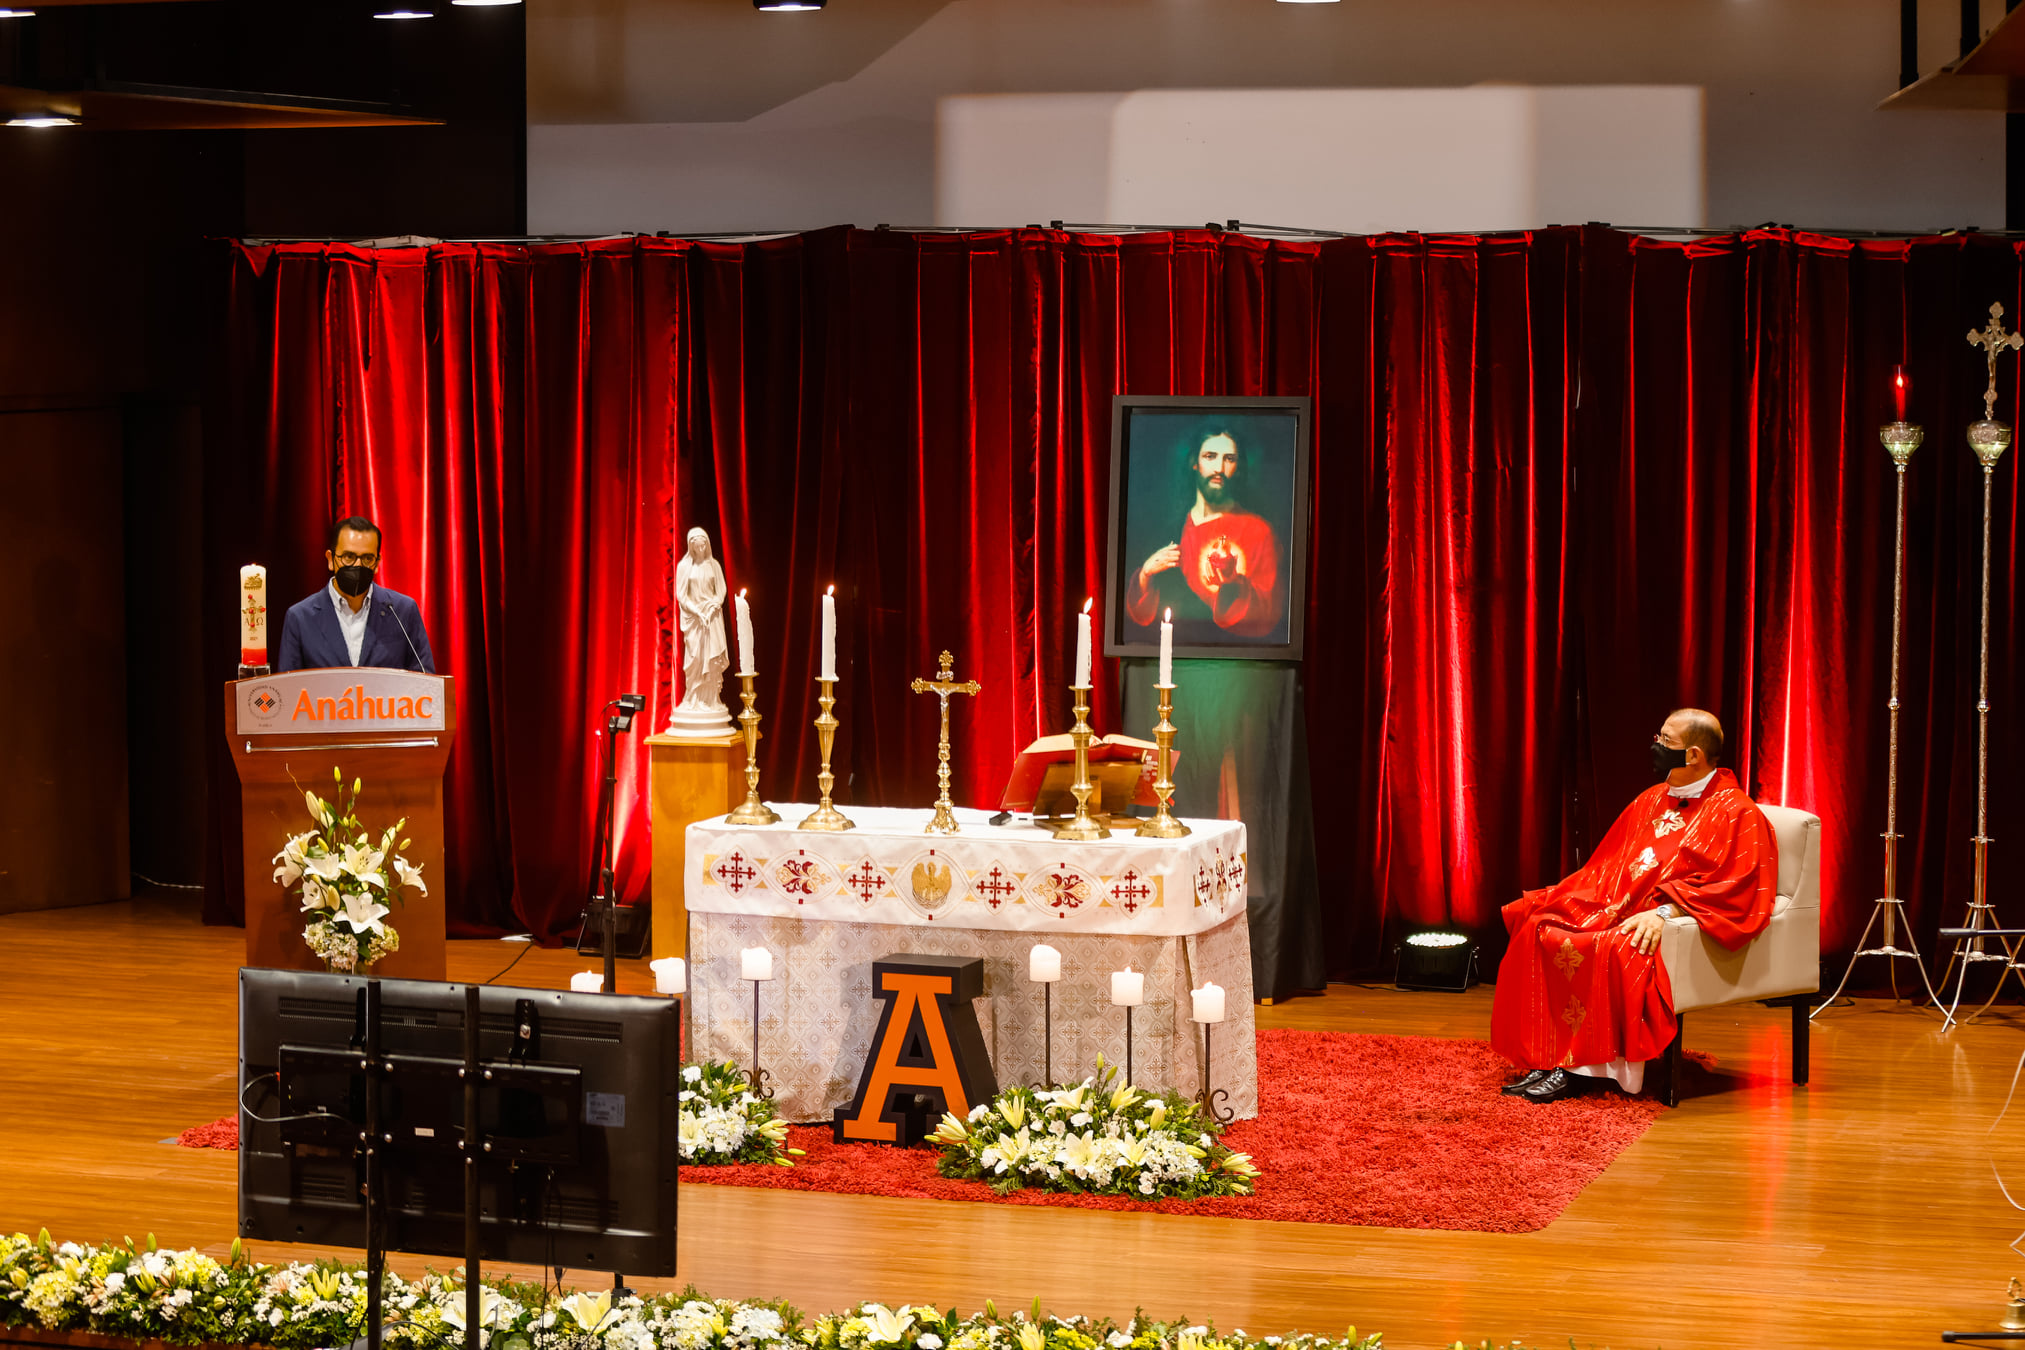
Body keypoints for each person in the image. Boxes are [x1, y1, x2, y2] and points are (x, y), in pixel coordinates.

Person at [1489, 708, 1777, 1103]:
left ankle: (1583, 1070)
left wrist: (1666, 913)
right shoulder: (1652, 799)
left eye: (1665, 741)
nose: (1655, 746)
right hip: (1618, 903)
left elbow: (1735, 886)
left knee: (1614, 945)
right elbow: (1610, 864)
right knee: (1542, 922)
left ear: (1693, 755)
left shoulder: (1737, 813)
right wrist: (1595, 900)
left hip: (1665, 916)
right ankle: (1553, 1056)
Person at [1123, 426, 1283, 638]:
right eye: (1210, 456)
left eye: (1229, 459)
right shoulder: (1170, 528)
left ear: (1238, 467)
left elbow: (1269, 614)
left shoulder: (1259, 531)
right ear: (1195, 464)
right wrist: (1145, 575)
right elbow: (1142, 617)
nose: (1219, 467)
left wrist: (1233, 582)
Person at [275, 515, 435, 674]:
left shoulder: (402, 611)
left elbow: (425, 681)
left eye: (367, 558)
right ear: (330, 559)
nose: (358, 565)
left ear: (377, 563)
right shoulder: (300, 617)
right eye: (349, 557)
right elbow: (288, 690)